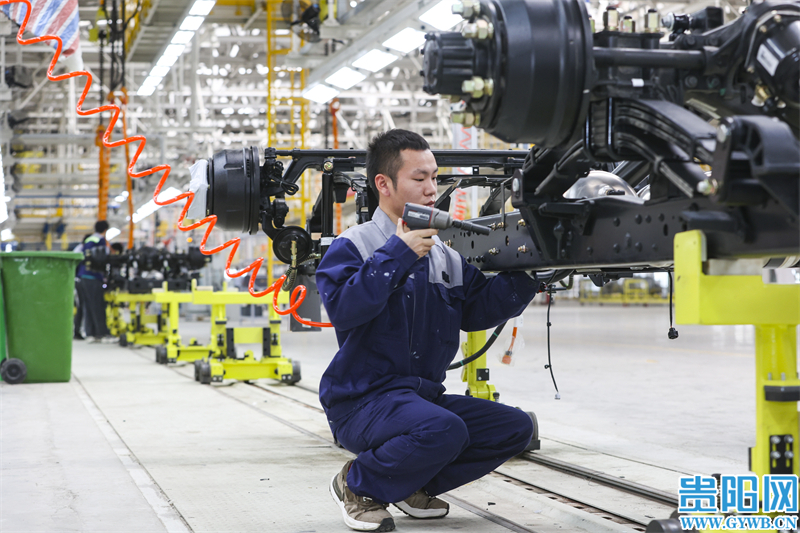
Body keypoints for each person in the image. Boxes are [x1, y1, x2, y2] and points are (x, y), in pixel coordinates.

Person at [316, 129, 539, 532]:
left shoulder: (445, 256)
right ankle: (359, 485)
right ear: (383, 184)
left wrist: (530, 270)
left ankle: (407, 483)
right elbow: (346, 309)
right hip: (362, 401)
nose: (431, 188)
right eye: (419, 178)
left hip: (419, 399)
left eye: (434, 177)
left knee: (515, 428)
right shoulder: (354, 246)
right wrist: (398, 254)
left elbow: (479, 311)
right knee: (443, 428)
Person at [76, 221, 114, 343]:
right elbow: (102, 258)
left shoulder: (88, 240)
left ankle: (90, 333)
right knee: (97, 305)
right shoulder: (100, 240)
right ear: (105, 230)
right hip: (93, 276)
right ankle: (101, 333)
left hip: (83, 277)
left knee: (88, 305)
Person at [73, 233, 92, 340]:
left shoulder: (80, 248)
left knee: (81, 306)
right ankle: (77, 331)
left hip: (78, 280)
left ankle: (78, 330)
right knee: (80, 306)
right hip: (78, 281)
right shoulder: (81, 250)